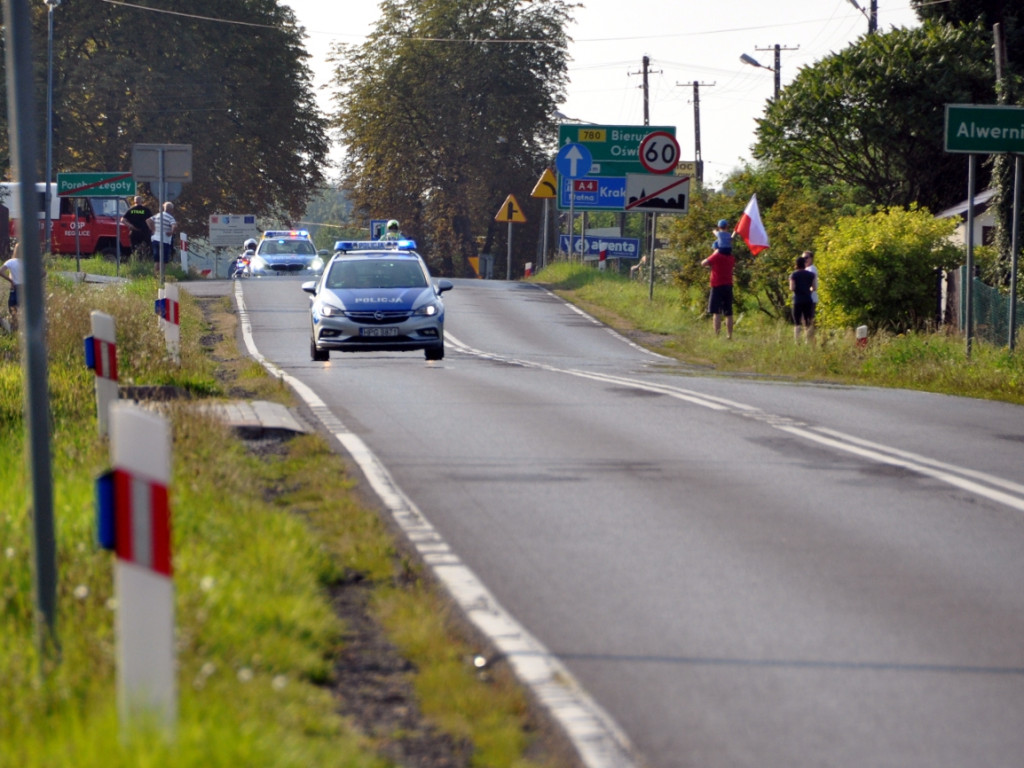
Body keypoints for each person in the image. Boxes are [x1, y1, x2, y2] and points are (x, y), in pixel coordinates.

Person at [701, 243, 735, 339]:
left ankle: (717, 335)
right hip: (728, 286)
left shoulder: (716, 256)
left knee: (716, 312)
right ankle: (729, 335)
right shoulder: (731, 257)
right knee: (729, 313)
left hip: (717, 286)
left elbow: (703, 263)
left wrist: (715, 253)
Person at [789, 255, 816, 342]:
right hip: (808, 300)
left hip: (797, 300)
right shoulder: (811, 275)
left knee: (797, 323)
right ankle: (807, 341)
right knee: (808, 322)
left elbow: (792, 288)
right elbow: (814, 287)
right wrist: (808, 291)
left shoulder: (794, 275)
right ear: (804, 264)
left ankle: (797, 341)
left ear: (796, 265)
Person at [147, 202, 177, 277]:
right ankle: (162, 276)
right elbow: (174, 225)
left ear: (164, 208)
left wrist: (153, 229)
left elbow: (148, 220)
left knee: (157, 260)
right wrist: (171, 232)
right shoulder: (170, 217)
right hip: (165, 241)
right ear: (171, 209)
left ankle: (156, 275)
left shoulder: (157, 215)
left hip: (155, 240)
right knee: (164, 260)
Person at [0, 242, 23, 331]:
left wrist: (11, 280)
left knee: (13, 313)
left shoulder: (11, 262)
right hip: (25, 290)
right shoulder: (29, 263)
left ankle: (13, 331)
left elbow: (1, 271)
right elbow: (43, 273)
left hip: (14, 289)